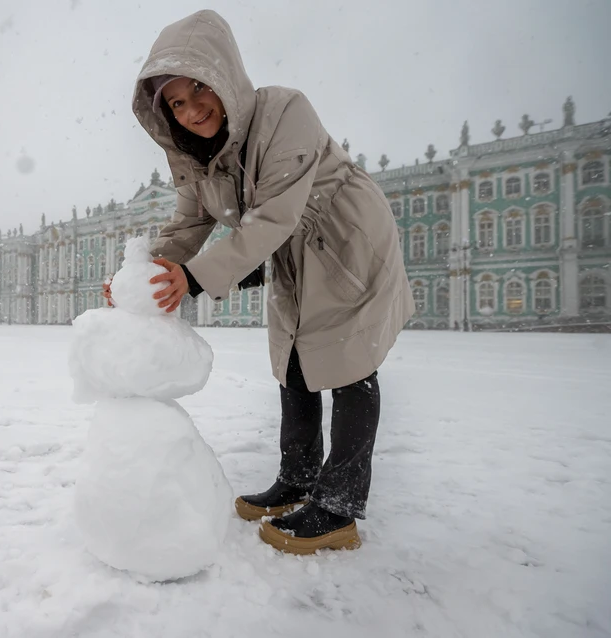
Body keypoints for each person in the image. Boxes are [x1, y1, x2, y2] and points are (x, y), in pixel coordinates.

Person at [105, 9, 413, 555]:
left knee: (350, 364)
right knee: (293, 358)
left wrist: (193, 279)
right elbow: (189, 223)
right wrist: (141, 274)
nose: (192, 109)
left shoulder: (284, 112)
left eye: (199, 88)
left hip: (345, 240)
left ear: (224, 75)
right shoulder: (193, 157)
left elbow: (273, 216)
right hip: (289, 250)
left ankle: (339, 507)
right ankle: (296, 479)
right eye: (175, 102)